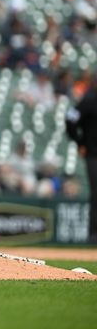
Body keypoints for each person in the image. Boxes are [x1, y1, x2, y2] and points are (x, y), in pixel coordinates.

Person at [65, 75, 97, 243]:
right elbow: (70, 120)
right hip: (93, 154)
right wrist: (80, 142)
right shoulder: (89, 101)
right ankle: (93, 235)